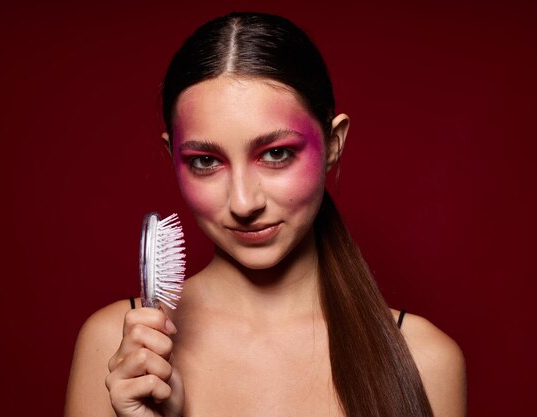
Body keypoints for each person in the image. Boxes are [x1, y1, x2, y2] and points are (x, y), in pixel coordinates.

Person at [64, 12, 466, 417]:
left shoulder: (424, 359)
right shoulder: (120, 351)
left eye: (275, 154)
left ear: (332, 144)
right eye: (206, 161)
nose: (243, 203)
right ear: (173, 158)